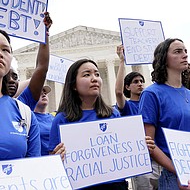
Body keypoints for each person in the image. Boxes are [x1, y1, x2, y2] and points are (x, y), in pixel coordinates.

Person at [49, 58, 155, 190]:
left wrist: (141, 146)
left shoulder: (113, 114)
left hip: (116, 186)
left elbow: (123, 149)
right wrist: (56, 157)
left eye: (97, 74)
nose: (94, 79)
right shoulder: (61, 119)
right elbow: (54, 162)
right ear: (73, 85)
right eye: (87, 74)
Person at [138, 38, 190, 189]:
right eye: (178, 51)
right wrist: (180, 172)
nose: (185, 55)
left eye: (185, 51)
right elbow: (150, 143)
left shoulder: (188, 93)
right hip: (173, 175)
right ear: (164, 59)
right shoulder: (151, 94)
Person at [115, 44, 161, 190]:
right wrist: (122, 61)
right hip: (141, 159)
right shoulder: (127, 106)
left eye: (141, 81)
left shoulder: (152, 102)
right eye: (135, 82)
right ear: (127, 87)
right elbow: (117, 92)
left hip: (159, 155)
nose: (140, 84)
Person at [0, 29, 41, 160]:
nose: (0, 54)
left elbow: (34, 168)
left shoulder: (25, 113)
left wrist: (51, 164)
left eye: (5, 50)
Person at [3, 12, 51, 111]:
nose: (12, 80)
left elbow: (41, 69)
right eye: (6, 77)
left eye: (15, 77)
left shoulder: (21, 105)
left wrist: (44, 35)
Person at [34, 85, 54, 156]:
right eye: (40, 93)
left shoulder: (54, 118)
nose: (43, 95)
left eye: (45, 93)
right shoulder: (29, 117)